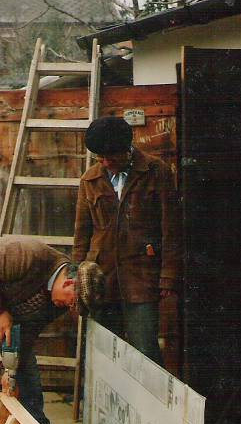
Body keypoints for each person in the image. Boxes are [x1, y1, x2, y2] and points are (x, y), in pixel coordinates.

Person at [0, 235, 104, 424]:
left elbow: (29, 332)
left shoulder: (58, 301)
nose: (70, 308)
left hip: (6, 301)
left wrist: (12, 369)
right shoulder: (31, 256)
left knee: (26, 369)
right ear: (69, 283)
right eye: (73, 302)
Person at [72, 116, 182, 366]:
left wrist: (168, 276)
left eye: (111, 156)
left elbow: (171, 229)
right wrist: (76, 274)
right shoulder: (89, 180)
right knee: (104, 352)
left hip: (142, 277)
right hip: (102, 279)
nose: (106, 162)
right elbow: (81, 233)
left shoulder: (156, 172)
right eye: (100, 157)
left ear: (127, 149)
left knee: (145, 350)